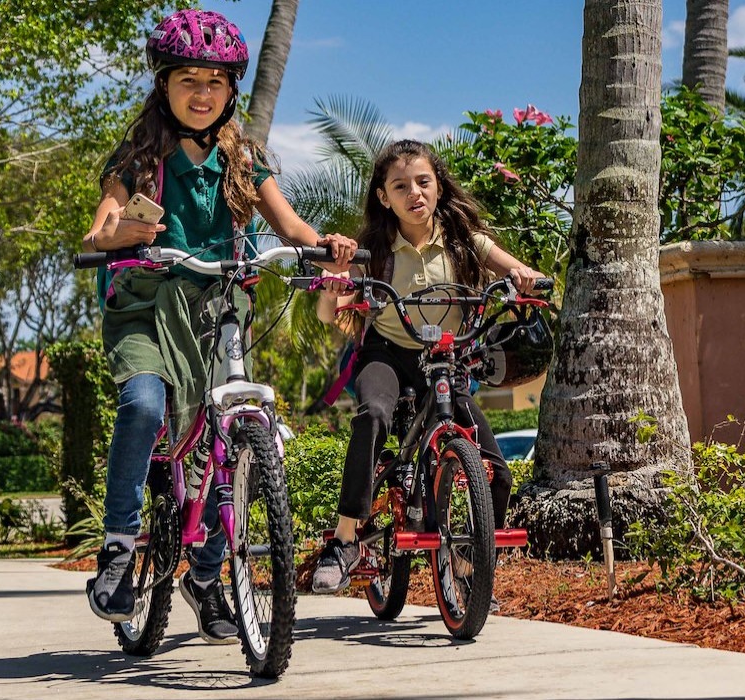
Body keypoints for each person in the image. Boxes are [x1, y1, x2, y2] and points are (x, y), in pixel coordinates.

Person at [80, 9, 356, 642]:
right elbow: (100, 229)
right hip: (146, 304)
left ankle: (207, 575)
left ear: (231, 88)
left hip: (220, 305)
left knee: (233, 440)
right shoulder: (139, 155)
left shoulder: (243, 157)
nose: (201, 94)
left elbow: (290, 225)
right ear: (164, 86)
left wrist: (324, 245)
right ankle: (119, 549)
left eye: (215, 81)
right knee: (145, 406)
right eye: (187, 81)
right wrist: (124, 232)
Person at [309, 140, 546, 594]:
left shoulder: (463, 242)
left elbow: (516, 269)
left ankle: (466, 571)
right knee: (372, 414)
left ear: (438, 187)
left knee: (497, 470)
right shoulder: (373, 250)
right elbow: (329, 312)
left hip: (445, 361)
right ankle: (343, 542)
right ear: (384, 197)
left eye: (423, 182)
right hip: (389, 354)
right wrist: (333, 284)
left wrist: (524, 277)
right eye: (400, 186)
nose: (414, 193)